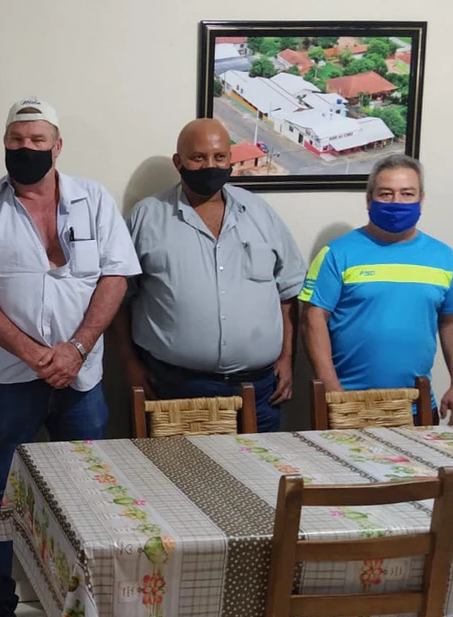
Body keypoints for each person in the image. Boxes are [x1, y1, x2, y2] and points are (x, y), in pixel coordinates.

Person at [0, 97, 140, 617]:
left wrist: (76, 348)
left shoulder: (94, 200)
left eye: (37, 140)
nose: (26, 148)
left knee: (87, 494)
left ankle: (83, 608)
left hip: (82, 379)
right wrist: (34, 354)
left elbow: (116, 279)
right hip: (11, 381)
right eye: (17, 140)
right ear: (4, 144)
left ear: (57, 147)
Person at [110, 118, 306, 433]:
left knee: (260, 467)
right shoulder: (146, 217)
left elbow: (288, 293)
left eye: (219, 157)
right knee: (176, 467)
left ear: (230, 159)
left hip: (259, 392)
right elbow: (119, 298)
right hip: (173, 389)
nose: (210, 166)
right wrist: (128, 363)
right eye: (198, 157)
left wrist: (287, 358)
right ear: (178, 162)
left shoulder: (260, 214)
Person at [299, 154, 453, 424]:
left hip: (418, 407)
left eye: (407, 193)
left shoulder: (443, 257)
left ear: (421, 199)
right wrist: (331, 389)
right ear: (369, 199)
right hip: (348, 404)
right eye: (386, 193)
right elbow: (312, 320)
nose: (396, 202)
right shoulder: (336, 254)